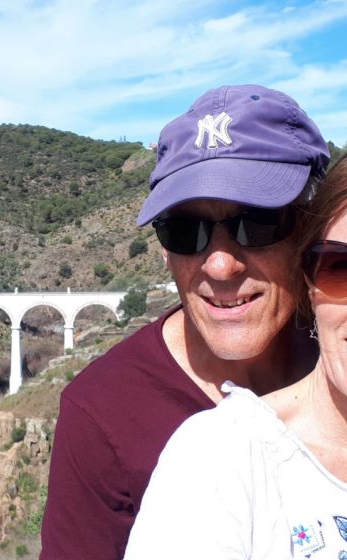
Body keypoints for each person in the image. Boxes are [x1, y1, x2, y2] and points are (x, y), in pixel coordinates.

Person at [39, 84, 330, 559]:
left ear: (314, 226)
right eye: (184, 230)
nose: (220, 266)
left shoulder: (335, 359)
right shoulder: (100, 413)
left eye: (258, 222)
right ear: (164, 250)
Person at [123, 153, 347, 559]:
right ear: (310, 278)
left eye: (258, 224)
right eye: (341, 268)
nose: (221, 265)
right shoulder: (217, 459)